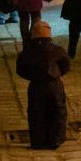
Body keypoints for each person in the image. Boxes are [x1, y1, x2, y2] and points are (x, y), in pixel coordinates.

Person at [15, 21, 70, 150]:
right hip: (54, 85)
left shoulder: (27, 52)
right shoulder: (57, 50)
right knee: (57, 112)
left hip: (37, 86)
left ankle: (38, 141)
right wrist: (57, 74)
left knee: (37, 113)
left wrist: (33, 76)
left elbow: (21, 69)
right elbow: (66, 65)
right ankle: (55, 139)